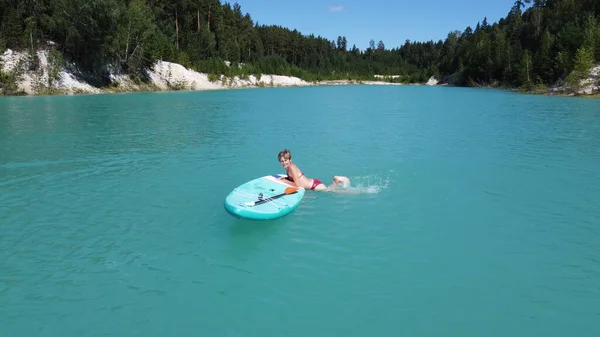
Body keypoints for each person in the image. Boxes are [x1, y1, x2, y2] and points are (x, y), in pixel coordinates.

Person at [277, 148, 350, 191]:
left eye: (285, 160)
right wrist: (286, 178)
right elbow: (294, 178)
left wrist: (284, 181)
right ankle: (336, 180)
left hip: (313, 185)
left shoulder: (291, 167)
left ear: (290, 160)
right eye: (282, 161)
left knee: (330, 191)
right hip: (312, 183)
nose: (284, 163)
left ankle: (338, 179)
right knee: (330, 189)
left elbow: (297, 185)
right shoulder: (288, 168)